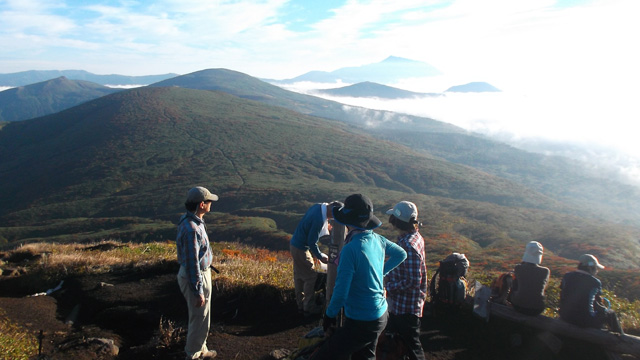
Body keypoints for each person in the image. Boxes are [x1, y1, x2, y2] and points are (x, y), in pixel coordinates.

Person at [312, 194, 407, 360]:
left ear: (348, 221)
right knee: (364, 356)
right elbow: (401, 254)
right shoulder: (378, 239)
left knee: (323, 356)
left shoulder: (351, 249)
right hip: (380, 315)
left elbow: (341, 291)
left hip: (361, 320)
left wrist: (329, 315)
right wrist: (380, 272)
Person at [176, 186, 219, 360]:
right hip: (197, 275)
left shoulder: (188, 221)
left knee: (201, 316)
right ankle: (193, 354)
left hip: (197, 273)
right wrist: (198, 289)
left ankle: (201, 348)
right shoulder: (192, 229)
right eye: (209, 201)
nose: (211, 204)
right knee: (199, 317)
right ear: (202, 204)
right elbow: (192, 263)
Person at [384, 201, 427, 360]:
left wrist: (388, 286)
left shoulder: (407, 245)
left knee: (412, 347)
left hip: (405, 306)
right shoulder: (415, 237)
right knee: (403, 342)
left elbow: (412, 281)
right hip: (404, 304)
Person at [290, 201, 343, 316]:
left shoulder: (318, 206)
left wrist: (326, 223)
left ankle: (300, 304)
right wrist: (319, 256)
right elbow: (312, 242)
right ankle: (308, 307)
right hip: (301, 249)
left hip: (294, 244)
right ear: (332, 210)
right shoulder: (319, 220)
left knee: (299, 276)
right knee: (310, 276)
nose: (332, 218)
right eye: (333, 216)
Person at [559, 254, 624, 334]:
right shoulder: (595, 282)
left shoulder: (567, 276)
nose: (597, 270)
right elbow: (597, 303)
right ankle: (621, 339)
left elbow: (563, 294)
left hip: (564, 316)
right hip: (585, 321)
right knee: (611, 313)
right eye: (596, 268)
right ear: (590, 267)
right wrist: (604, 309)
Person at [510, 241, 550, 316]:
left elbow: (514, 286)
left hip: (518, 305)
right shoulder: (545, 271)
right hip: (537, 308)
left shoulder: (518, 268)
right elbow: (543, 288)